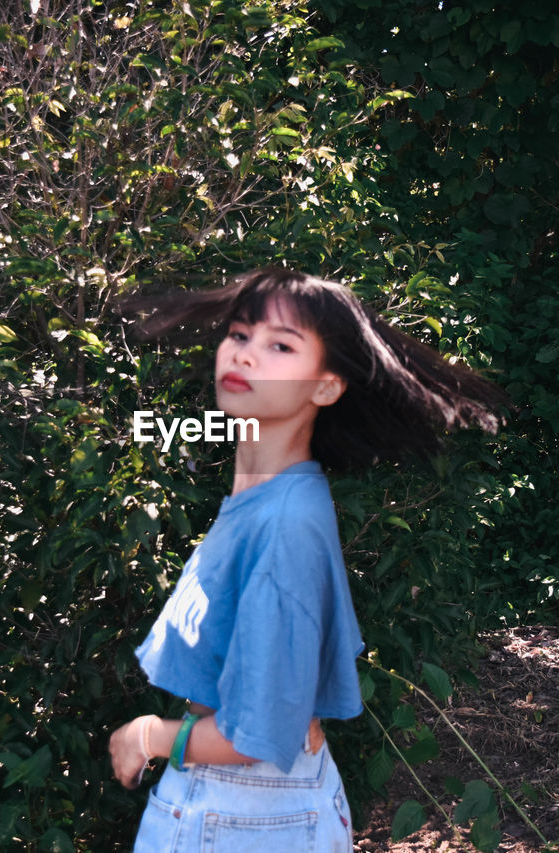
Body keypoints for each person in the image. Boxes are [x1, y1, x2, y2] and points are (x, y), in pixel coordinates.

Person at [108, 267, 506, 852]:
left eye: (280, 346)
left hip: (241, 813)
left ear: (326, 386)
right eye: (240, 335)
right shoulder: (271, 494)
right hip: (251, 810)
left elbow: (257, 734)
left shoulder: (283, 522)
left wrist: (149, 735)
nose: (245, 356)